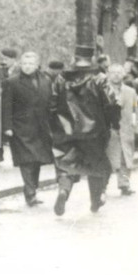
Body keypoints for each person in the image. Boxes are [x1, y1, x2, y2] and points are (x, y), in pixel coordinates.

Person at [50, 49, 120, 216]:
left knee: (66, 164)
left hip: (66, 130)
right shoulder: (100, 78)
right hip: (94, 132)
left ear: (74, 59)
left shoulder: (61, 78)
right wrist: (113, 123)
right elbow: (111, 103)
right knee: (95, 166)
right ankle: (95, 201)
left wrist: (56, 126)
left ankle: (64, 192)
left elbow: (52, 104)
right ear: (92, 59)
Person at [2, 51, 54, 206]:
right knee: (26, 161)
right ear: (20, 64)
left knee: (37, 160)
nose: (27, 66)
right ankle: (30, 194)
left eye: (31, 64)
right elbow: (6, 106)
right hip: (21, 128)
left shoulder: (46, 80)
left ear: (37, 65)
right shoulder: (12, 82)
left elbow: (50, 103)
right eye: (25, 63)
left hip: (40, 128)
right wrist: (7, 127)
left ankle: (32, 190)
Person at [105, 63, 138, 196]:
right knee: (107, 159)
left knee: (126, 158)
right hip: (109, 130)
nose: (116, 75)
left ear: (123, 74)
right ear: (108, 74)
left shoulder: (131, 92)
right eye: (113, 72)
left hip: (126, 129)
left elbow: (135, 111)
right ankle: (102, 185)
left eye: (119, 72)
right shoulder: (103, 91)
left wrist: (136, 127)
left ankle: (124, 184)